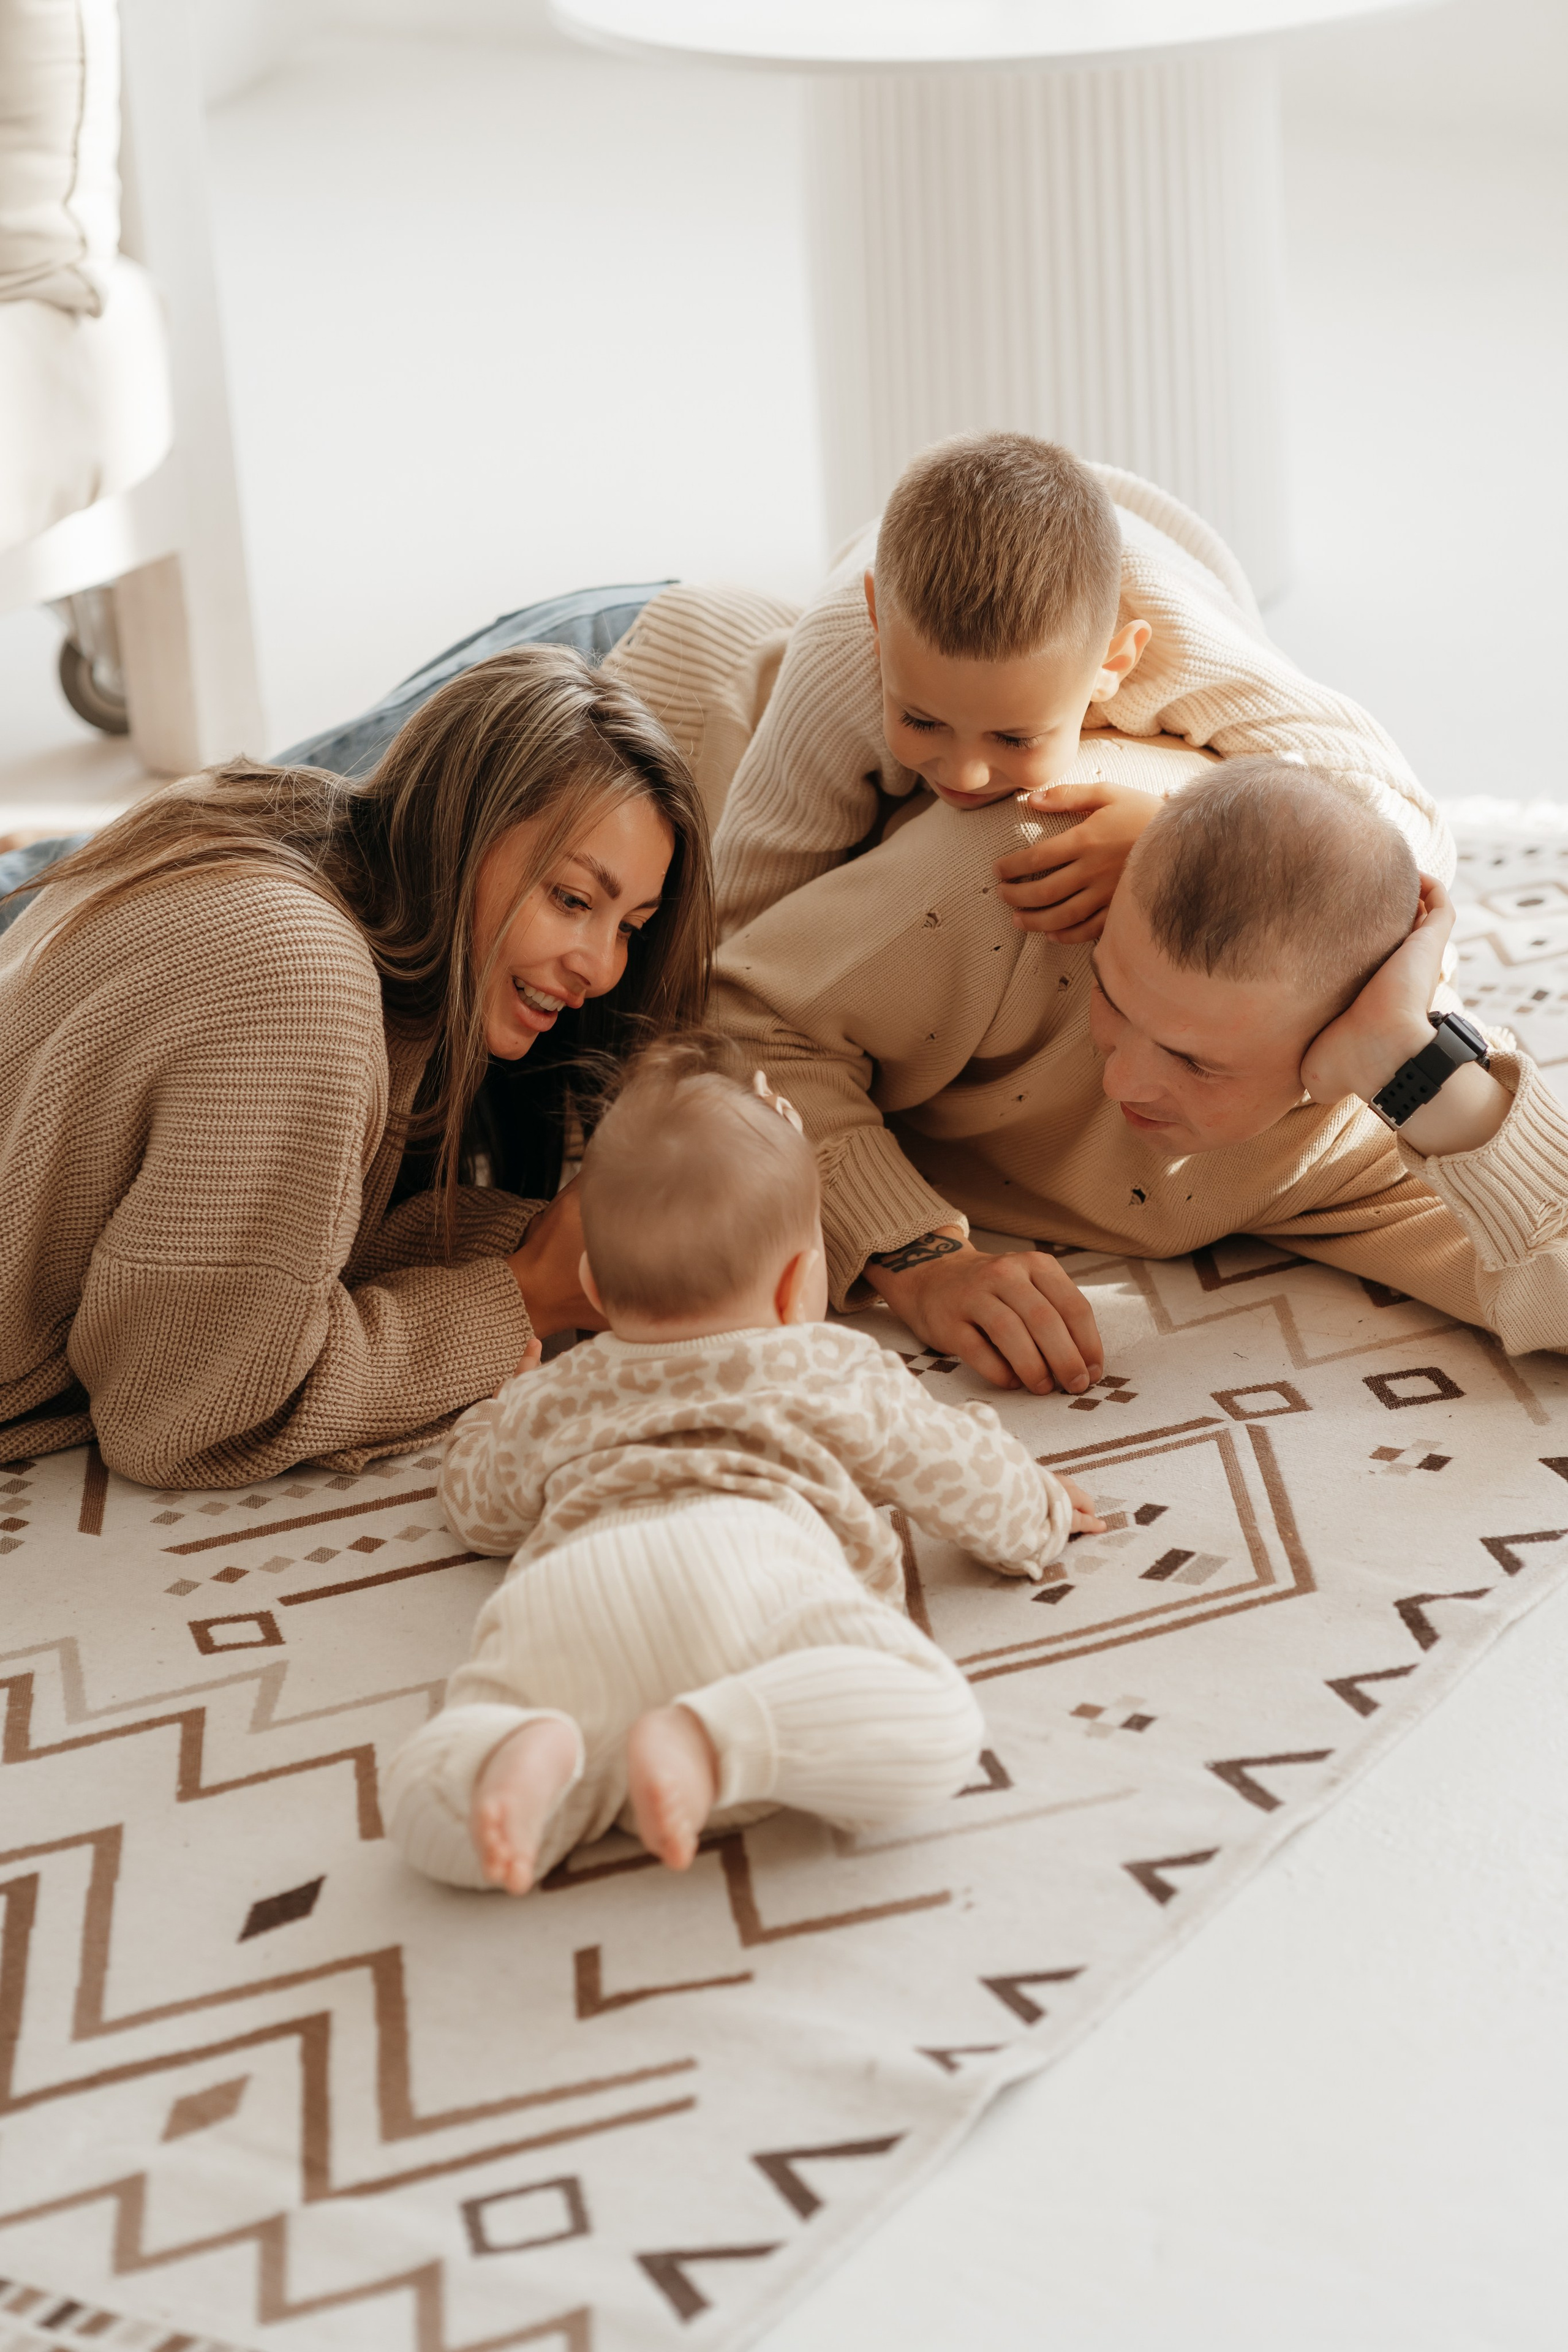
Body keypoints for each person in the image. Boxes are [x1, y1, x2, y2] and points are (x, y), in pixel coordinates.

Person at [382, 1036, 1102, 1894]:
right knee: (936, 1723)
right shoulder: (829, 1364)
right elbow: (955, 1473)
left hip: (572, 1598)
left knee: (434, 1811)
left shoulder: (560, 1393)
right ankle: (712, 1742)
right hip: (762, 1577)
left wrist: (502, 1407)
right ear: (799, 1284)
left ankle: (518, 1754)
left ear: (594, 1287)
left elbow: (478, 1510)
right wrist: (1039, 1510)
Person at [0, 644, 710, 1485]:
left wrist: (545, 1242)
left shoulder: (270, 822)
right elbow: (178, 1413)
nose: (602, 968)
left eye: (630, 927)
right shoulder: (304, 980)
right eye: (572, 899)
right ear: (462, 830)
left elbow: (288, 1251)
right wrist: (521, 1295)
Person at [709, 760, 1568, 1395]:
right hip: (695, 714)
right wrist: (919, 1257)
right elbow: (733, 1017)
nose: (1122, 1080)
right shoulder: (1025, 876)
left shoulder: (1367, 1103)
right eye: (1112, 997)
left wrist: (1418, 1069)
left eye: (1197, 1062)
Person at [664, 433, 1451, 944]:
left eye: (1013, 737)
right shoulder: (841, 650)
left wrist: (1180, 840)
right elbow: (748, 906)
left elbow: (1408, 829)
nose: (965, 772)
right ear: (877, 619)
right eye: (922, 720)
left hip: (1150, 551)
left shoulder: (1182, 644)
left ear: (1116, 660)